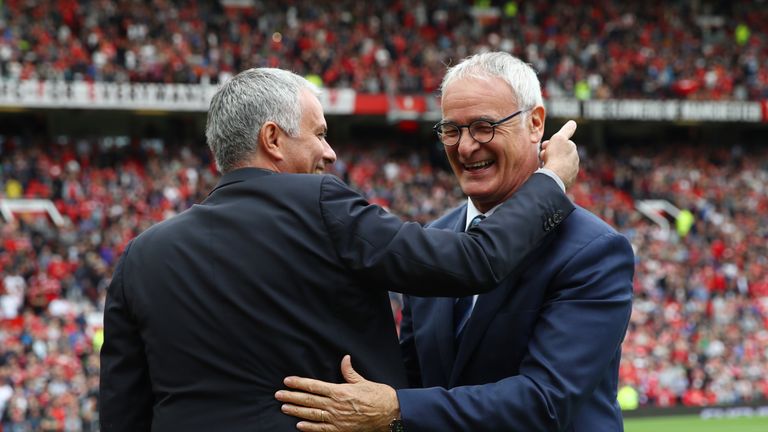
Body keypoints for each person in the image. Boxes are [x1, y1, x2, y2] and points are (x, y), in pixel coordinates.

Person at [99, 67, 580, 431]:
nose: (330, 154)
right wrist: (550, 182)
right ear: (272, 138)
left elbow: (123, 415)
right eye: (320, 134)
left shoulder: (140, 256)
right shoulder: (320, 203)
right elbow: (476, 259)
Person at [276, 53, 635, 431]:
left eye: (484, 127)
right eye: (452, 130)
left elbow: (545, 402)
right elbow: (412, 377)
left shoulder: (593, 250)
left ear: (535, 123)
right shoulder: (435, 242)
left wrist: (398, 409)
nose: (465, 147)